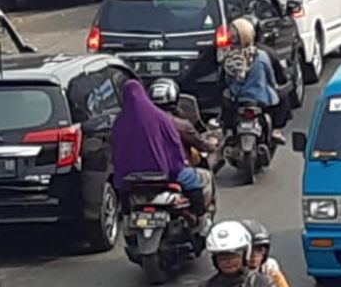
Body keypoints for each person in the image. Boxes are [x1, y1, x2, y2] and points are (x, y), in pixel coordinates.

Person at [111, 80, 208, 218]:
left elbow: (116, 152)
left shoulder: (119, 123)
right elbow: (174, 145)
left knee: (124, 197)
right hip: (163, 174)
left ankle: (126, 216)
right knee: (194, 181)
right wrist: (179, 164)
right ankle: (201, 219)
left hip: (130, 178)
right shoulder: (160, 118)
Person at [221, 18, 288, 144]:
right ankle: (276, 131)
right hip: (261, 99)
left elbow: (226, 80)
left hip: (237, 99)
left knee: (225, 99)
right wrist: (274, 85)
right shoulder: (261, 55)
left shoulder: (229, 57)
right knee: (283, 96)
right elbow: (271, 78)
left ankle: (229, 131)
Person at [148, 78, 216, 158]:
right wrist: (213, 142)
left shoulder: (142, 124)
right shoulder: (182, 126)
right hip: (177, 168)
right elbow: (205, 146)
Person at [204, 221, 275, 287]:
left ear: (244, 255)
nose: (228, 261)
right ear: (215, 260)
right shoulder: (207, 285)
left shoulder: (261, 282)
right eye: (222, 257)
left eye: (233, 256)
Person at [240, 219, 289, 287]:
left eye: (259, 250)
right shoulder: (228, 276)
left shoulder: (270, 269)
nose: (254, 255)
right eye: (249, 251)